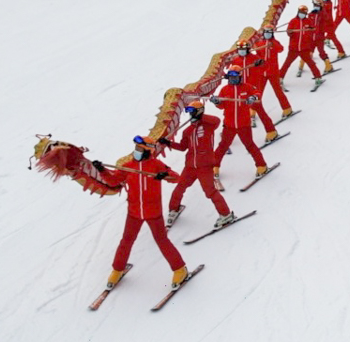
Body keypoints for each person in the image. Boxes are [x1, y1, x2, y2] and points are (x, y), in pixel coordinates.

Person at [94, 137, 188, 289]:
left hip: (153, 212)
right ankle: (118, 269)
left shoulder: (156, 165)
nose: (136, 152)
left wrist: (163, 175)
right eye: (136, 149)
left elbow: (176, 178)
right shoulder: (128, 166)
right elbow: (113, 181)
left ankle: (180, 269)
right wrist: (102, 170)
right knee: (126, 241)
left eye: (139, 149)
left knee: (162, 241)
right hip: (134, 212)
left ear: (147, 151)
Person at [161, 99, 236, 229]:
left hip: (205, 166)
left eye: (193, 112)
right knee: (180, 187)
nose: (190, 114)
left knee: (210, 191)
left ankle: (225, 214)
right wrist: (169, 143)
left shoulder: (208, 125)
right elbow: (183, 146)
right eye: (189, 112)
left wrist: (201, 117)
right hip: (190, 166)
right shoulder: (188, 131)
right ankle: (174, 209)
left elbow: (217, 120)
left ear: (199, 112)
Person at [210, 69, 271, 183]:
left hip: (244, 125)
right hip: (229, 125)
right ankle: (215, 167)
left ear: (240, 77)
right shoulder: (225, 90)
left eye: (236, 77)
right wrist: (216, 102)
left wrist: (253, 98)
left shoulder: (246, 87)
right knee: (223, 146)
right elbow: (222, 106)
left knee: (250, 145)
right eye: (231, 78)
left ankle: (261, 166)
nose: (233, 80)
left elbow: (257, 93)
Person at [253, 26, 294, 120]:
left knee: (278, 91)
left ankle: (287, 108)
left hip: (273, 72)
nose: (267, 34)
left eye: (269, 33)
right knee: (257, 92)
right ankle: (253, 111)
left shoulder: (274, 43)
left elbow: (281, 49)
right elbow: (256, 55)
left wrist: (273, 44)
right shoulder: (260, 44)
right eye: (266, 33)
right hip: (262, 73)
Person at [282, 6, 322, 83]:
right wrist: (290, 32)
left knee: (311, 64)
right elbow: (289, 32)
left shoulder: (308, 21)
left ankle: (318, 77)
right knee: (287, 64)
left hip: (304, 48)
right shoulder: (293, 21)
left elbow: (314, 29)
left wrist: (311, 29)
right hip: (293, 48)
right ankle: (280, 78)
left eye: (304, 13)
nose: (302, 14)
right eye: (301, 13)